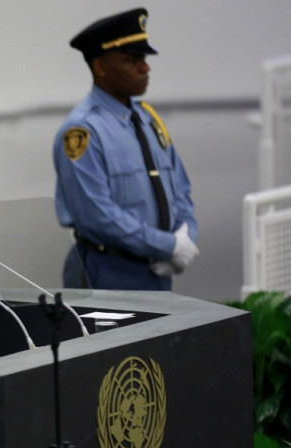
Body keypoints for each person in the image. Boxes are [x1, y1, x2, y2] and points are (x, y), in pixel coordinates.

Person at [53, 7, 199, 291]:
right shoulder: (83, 131)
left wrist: (185, 237)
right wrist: (168, 245)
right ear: (101, 67)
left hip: (157, 270)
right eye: (132, 59)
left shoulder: (148, 119)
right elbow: (97, 215)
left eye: (144, 58)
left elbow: (180, 190)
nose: (145, 67)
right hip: (108, 272)